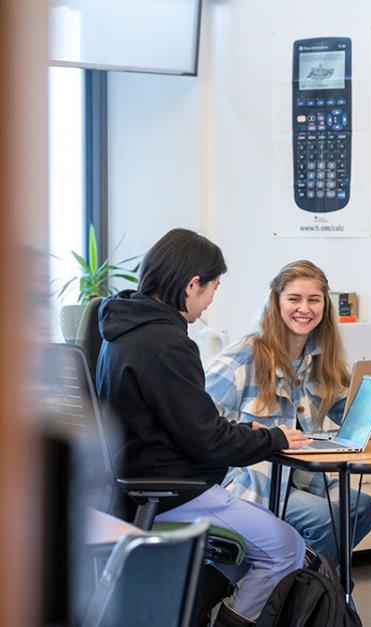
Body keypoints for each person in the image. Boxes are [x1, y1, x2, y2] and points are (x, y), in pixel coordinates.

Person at [96, 229, 310, 627]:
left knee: (245, 554)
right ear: (192, 285)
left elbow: (191, 425)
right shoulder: (167, 343)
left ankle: (183, 611)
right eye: (213, 287)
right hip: (173, 490)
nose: (211, 299)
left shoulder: (120, 328)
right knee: (285, 548)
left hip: (134, 486)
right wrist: (273, 437)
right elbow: (207, 439)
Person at [205, 260, 371, 565]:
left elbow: (352, 414)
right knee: (327, 519)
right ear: (276, 302)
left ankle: (303, 588)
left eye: (314, 300)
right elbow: (199, 418)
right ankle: (316, 593)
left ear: (325, 305)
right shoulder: (245, 355)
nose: (305, 308)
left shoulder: (322, 359)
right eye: (294, 299)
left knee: (363, 507)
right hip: (252, 481)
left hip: (303, 479)